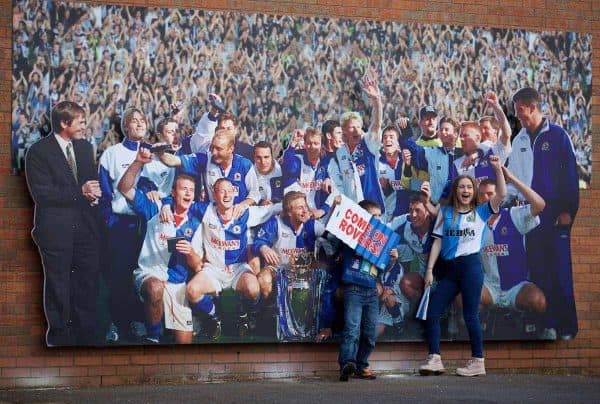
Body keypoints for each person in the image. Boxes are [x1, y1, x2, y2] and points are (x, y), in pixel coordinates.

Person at [419, 155, 506, 377]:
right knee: (434, 310)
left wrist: (497, 170)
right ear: (456, 191)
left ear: (473, 191)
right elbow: (437, 240)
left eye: (469, 187)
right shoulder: (446, 212)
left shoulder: (482, 211)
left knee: (470, 315)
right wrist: (429, 270)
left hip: (471, 268)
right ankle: (435, 359)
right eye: (461, 187)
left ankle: (478, 361)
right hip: (449, 270)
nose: (465, 190)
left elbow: (502, 194)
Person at [25, 100, 102, 346]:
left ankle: (87, 334)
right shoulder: (38, 152)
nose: (84, 126)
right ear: (63, 123)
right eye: (79, 121)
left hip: (85, 230)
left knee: (87, 282)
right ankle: (59, 336)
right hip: (55, 231)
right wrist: (80, 192)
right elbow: (43, 194)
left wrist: (93, 194)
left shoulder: (84, 148)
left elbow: (89, 183)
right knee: (59, 283)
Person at [507, 87, 579, 339]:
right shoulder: (519, 140)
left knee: (560, 272)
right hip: (530, 217)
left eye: (520, 112)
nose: (518, 117)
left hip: (556, 217)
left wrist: (568, 211)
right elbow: (513, 180)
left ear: (533, 107)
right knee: (537, 271)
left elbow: (570, 176)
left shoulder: (558, 136)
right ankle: (546, 324)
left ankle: (567, 327)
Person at [118, 147, 205, 344]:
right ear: (173, 192)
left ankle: (166, 322)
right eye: (183, 189)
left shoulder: (196, 221)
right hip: (150, 274)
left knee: (184, 343)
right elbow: (124, 188)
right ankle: (152, 338)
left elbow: (197, 263)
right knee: (155, 289)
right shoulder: (155, 208)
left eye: (191, 190)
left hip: (177, 283)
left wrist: (189, 252)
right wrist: (138, 162)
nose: (188, 193)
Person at [183, 178, 279, 336]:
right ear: (214, 194)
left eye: (230, 191)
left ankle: (245, 314)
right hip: (213, 269)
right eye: (221, 191)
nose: (226, 195)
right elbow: (181, 203)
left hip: (238, 269)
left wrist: (296, 205)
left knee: (254, 289)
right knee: (192, 291)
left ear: (235, 192)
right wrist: (166, 204)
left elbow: (271, 210)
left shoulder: (244, 212)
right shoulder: (206, 210)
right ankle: (215, 315)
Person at [98, 107, 149, 342]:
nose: (139, 123)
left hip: (146, 224)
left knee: (143, 275)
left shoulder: (154, 154)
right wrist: (110, 220)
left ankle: (139, 321)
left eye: (142, 120)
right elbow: (105, 193)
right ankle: (117, 324)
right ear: (125, 127)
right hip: (121, 225)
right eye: (134, 121)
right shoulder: (112, 153)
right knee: (119, 276)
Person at [477, 173, 547, 321]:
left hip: (516, 287)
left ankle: (529, 325)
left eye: (490, 194)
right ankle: (481, 321)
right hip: (490, 287)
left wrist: (513, 179)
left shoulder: (513, 215)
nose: (485, 198)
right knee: (460, 296)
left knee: (538, 301)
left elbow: (539, 205)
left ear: (500, 196)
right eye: (481, 195)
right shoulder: (475, 223)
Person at [160, 128, 260, 217]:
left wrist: (242, 205)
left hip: (238, 218)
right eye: (212, 147)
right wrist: (159, 153)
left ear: (231, 149)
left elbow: (255, 194)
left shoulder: (245, 165)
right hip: (213, 217)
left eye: (219, 149)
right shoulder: (205, 159)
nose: (214, 152)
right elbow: (174, 161)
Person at [338, 199, 384, 382]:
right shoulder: (351, 237)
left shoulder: (381, 241)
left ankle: (361, 364)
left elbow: (382, 267)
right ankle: (346, 365)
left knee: (370, 332)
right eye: (374, 216)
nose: (379, 220)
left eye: (380, 216)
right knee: (351, 330)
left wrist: (392, 258)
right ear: (363, 218)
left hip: (371, 291)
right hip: (354, 290)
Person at [328, 71, 385, 213]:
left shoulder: (368, 143)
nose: (357, 130)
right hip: (353, 214)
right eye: (352, 127)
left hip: (374, 207)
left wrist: (377, 100)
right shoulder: (340, 153)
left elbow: (376, 124)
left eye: (359, 127)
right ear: (344, 130)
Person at [282, 127, 336, 220]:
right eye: (309, 143)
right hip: (301, 215)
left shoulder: (327, 162)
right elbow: (289, 166)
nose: (312, 147)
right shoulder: (298, 160)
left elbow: (338, 188)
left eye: (316, 143)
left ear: (321, 145)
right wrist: (293, 143)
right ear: (304, 144)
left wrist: (330, 180)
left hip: (322, 215)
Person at [253, 141, 283, 205]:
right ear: (254, 157)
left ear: (272, 156)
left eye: (266, 157)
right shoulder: (249, 174)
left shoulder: (283, 171)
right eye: (259, 157)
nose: (263, 162)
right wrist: (261, 202)